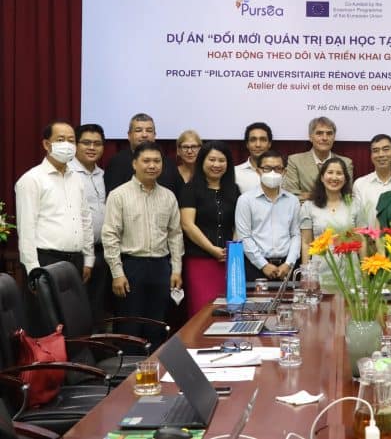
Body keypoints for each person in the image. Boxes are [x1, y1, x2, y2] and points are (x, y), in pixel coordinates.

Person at [102, 141, 183, 349]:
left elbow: (175, 235)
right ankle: (129, 368)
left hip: (161, 267)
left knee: (157, 325)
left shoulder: (168, 196)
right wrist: (117, 273)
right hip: (131, 267)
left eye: (157, 161)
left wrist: (176, 270)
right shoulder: (119, 195)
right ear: (134, 164)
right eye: (146, 161)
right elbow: (110, 236)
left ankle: (154, 366)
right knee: (130, 326)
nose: (152, 165)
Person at [15, 121, 94, 281]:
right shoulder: (32, 179)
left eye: (71, 140)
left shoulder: (77, 178)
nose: (67, 145)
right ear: (46, 144)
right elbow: (26, 229)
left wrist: (88, 258)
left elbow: (85, 219)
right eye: (60, 140)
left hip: (76, 260)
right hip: (46, 261)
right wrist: (33, 269)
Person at [180, 141, 240, 317]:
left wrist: (232, 249)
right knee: (203, 311)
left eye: (222, 160)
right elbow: (187, 225)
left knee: (230, 310)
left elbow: (239, 224)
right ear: (202, 161)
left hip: (229, 261)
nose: (216, 164)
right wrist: (212, 249)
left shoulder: (234, 190)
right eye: (212, 159)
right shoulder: (190, 189)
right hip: (200, 261)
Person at [235, 150, 301, 280]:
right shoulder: (245, 200)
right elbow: (244, 236)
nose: (272, 173)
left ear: (284, 172)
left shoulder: (293, 200)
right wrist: (263, 265)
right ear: (258, 171)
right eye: (267, 168)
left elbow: (296, 234)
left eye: (277, 169)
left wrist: (289, 263)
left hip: (286, 267)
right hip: (255, 266)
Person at [71, 123, 109, 323]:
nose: (92, 147)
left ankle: (96, 342)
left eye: (97, 143)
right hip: (77, 254)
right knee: (75, 310)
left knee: (97, 307)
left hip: (102, 251)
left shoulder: (104, 175)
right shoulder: (67, 173)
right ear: (76, 145)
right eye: (86, 143)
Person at [104, 113, 183, 198]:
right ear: (129, 135)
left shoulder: (169, 164)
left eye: (149, 131)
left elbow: (178, 196)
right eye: (138, 130)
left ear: (154, 135)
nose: (144, 135)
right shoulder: (117, 163)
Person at [301, 158, 362, 262]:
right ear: (322, 177)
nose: (334, 177)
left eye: (339, 173)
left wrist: (364, 270)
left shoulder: (355, 204)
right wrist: (305, 269)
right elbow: (306, 243)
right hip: (319, 267)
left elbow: (362, 241)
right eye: (330, 172)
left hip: (350, 267)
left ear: (345, 179)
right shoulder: (308, 206)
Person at [284, 117, 353, 201]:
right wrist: (332, 195)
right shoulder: (295, 161)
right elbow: (291, 196)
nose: (324, 138)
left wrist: (308, 195)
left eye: (329, 133)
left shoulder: (346, 163)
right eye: (319, 133)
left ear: (334, 137)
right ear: (310, 137)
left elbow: (346, 196)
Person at [352, 134, 391, 228]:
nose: (381, 154)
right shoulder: (360, 184)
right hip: (367, 237)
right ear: (371, 155)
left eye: (386, 149)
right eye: (376, 151)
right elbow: (357, 220)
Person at [235, 122, 273, 193]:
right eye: (253, 140)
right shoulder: (235, 172)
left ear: (269, 144)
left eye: (263, 140)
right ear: (247, 144)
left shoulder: (280, 171)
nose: (258, 145)